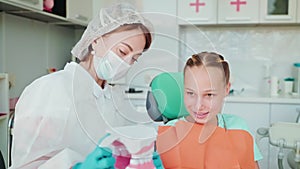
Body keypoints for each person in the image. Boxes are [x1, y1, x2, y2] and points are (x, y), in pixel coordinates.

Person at [9, 3, 160, 169]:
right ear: (96, 40)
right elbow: (26, 165)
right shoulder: (50, 90)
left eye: (134, 58)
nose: (126, 63)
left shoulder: (113, 97)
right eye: (123, 52)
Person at [156, 52, 263, 168]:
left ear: (226, 89)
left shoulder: (238, 127)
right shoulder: (171, 132)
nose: (198, 106)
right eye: (191, 93)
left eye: (209, 95)